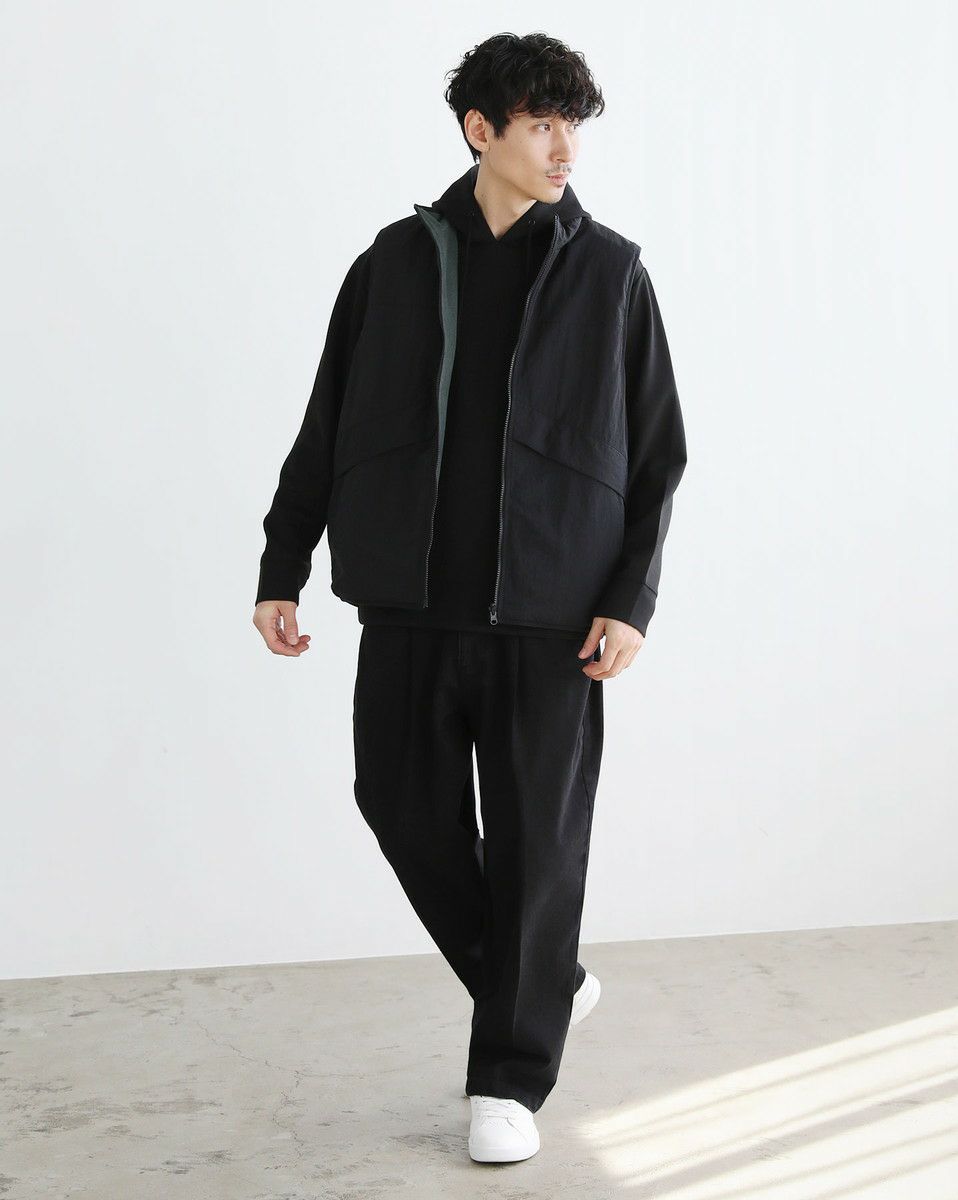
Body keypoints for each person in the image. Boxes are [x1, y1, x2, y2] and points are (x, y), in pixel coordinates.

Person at [252, 31, 687, 1165]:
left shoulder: (611, 275)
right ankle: (547, 980)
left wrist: (630, 598)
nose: (564, 148)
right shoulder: (393, 264)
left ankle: (508, 1078)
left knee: (540, 848)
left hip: (553, 619)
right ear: (479, 130)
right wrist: (281, 565)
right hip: (408, 603)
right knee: (399, 804)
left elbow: (657, 458)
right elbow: (325, 422)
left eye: (573, 125)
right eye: (542, 124)